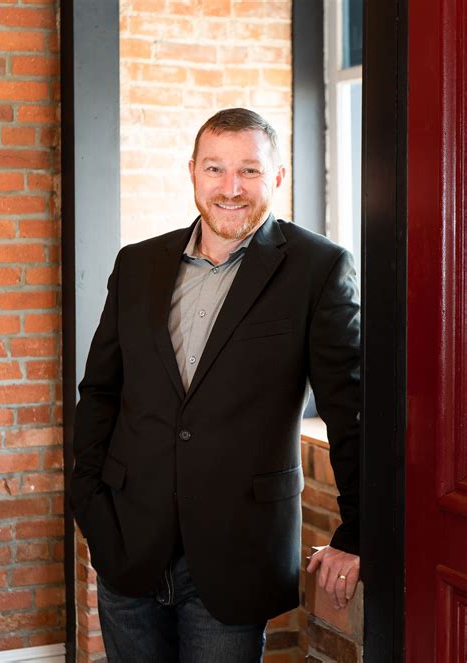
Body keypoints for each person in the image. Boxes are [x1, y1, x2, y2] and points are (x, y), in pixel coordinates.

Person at [71, 108, 361, 663]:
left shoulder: (318, 268)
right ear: (193, 172)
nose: (231, 188)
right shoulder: (136, 264)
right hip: (127, 542)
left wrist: (358, 532)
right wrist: (89, 502)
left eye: (249, 170)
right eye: (215, 169)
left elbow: (351, 411)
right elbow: (102, 390)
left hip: (236, 552)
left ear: (277, 177)